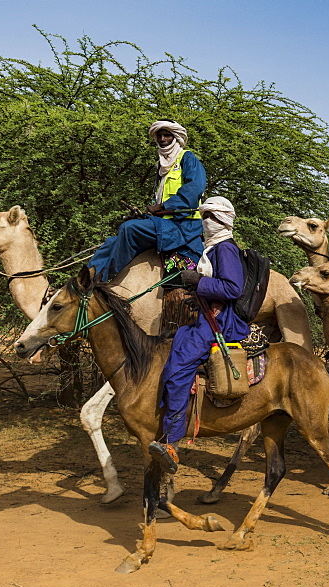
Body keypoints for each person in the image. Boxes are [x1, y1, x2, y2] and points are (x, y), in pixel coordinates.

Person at [149, 196, 249, 473]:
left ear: (223, 220)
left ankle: (171, 441)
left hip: (220, 322)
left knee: (180, 365)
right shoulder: (213, 248)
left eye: (211, 217)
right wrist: (198, 294)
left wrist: (198, 282)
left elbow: (232, 289)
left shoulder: (225, 249)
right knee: (176, 340)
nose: (206, 223)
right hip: (208, 314)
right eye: (204, 217)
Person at [89, 120, 207, 281]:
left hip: (183, 226)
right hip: (164, 224)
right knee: (111, 242)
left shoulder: (187, 158)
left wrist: (162, 206)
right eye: (159, 135)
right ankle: (87, 280)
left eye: (167, 135)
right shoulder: (161, 166)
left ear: (176, 137)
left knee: (129, 229)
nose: (162, 139)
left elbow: (195, 188)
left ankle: (105, 278)